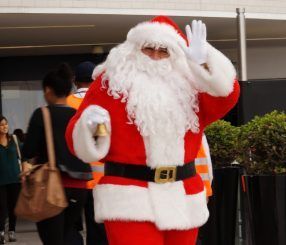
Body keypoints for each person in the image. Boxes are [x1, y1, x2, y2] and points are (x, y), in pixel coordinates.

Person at [66, 16, 240, 245]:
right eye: (149, 49)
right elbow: (81, 142)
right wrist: (92, 126)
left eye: (164, 51)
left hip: (183, 197)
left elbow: (226, 97)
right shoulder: (110, 84)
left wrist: (203, 62)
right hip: (129, 197)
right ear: (135, 49)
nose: (156, 56)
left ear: (176, 55)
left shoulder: (190, 87)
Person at [22, 63, 93, 245]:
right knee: (68, 233)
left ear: (48, 90)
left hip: (52, 186)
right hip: (80, 185)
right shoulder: (78, 115)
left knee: (52, 238)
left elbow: (28, 150)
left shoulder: (42, 114)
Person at [67, 61, 108, 245]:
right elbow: (103, 137)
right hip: (98, 178)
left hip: (72, 176)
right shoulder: (102, 104)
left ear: (75, 81)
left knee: (71, 227)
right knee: (98, 226)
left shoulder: (67, 103)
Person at [0, 116, 21, 244]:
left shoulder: (14, 139)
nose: (4, 127)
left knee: (13, 207)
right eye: (1, 125)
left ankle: (12, 231)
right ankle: (1, 232)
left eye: (6, 124)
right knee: (1, 207)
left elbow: (23, 156)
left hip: (15, 178)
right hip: (1, 180)